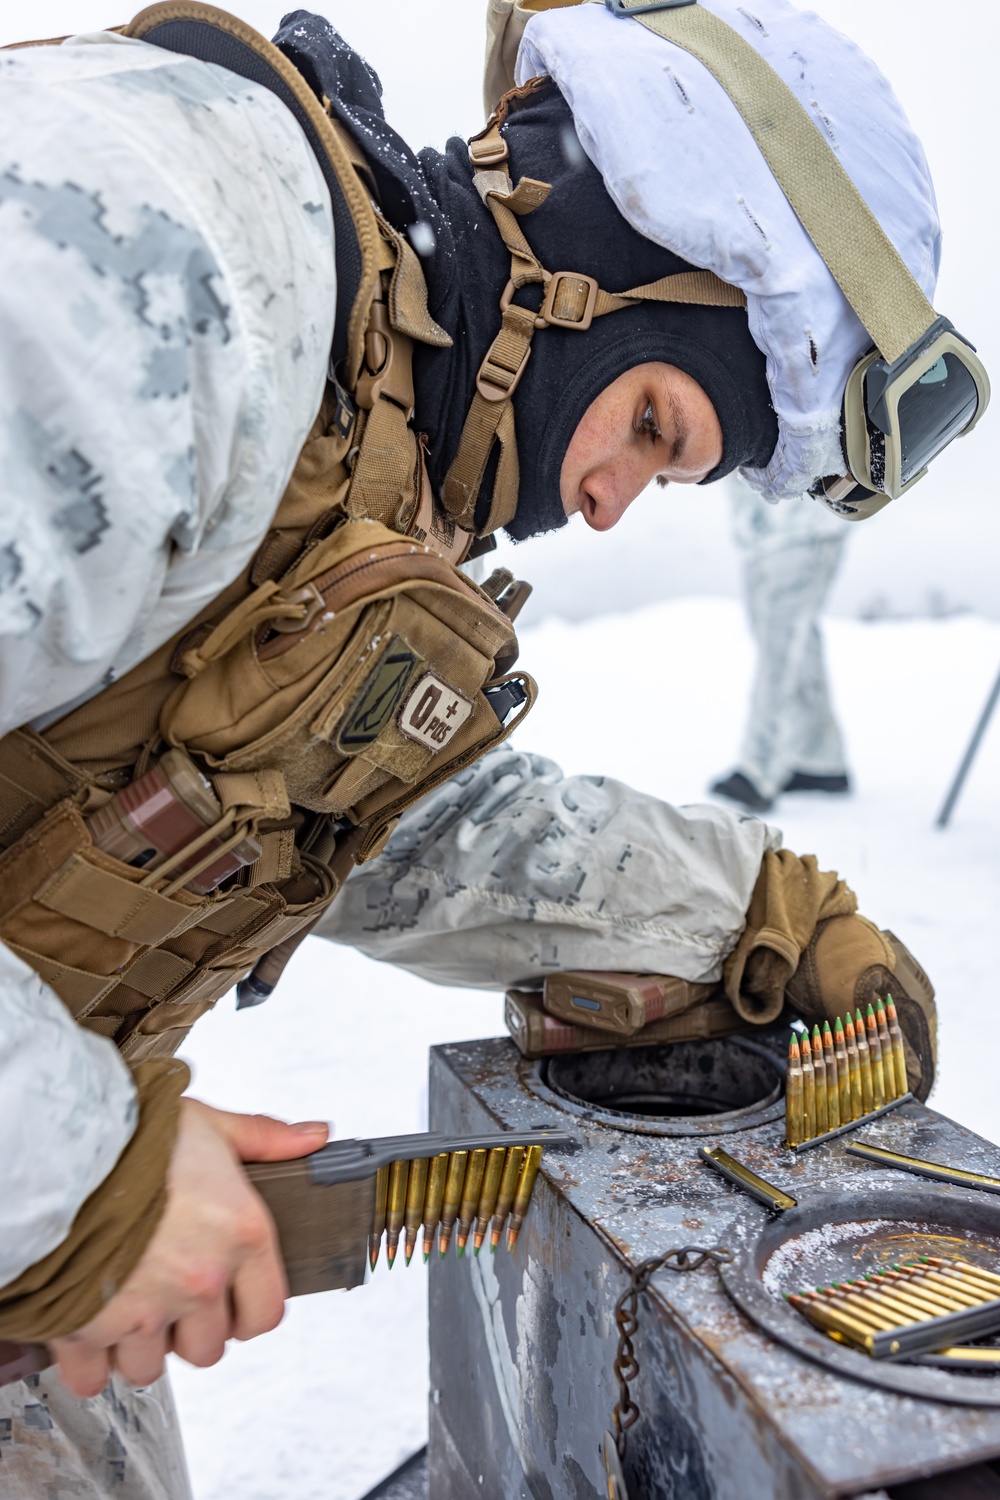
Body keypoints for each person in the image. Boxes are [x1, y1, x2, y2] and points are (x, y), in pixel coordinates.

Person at [0, 0, 968, 1492]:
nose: (602, 507)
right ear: (601, 235)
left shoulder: (347, 404)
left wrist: (741, 919)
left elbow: (339, 807)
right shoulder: (139, 240)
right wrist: (68, 1179)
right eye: (652, 422)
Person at [710, 478, 852, 814]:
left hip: (802, 526)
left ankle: (758, 769)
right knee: (793, 642)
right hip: (767, 530)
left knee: (780, 647)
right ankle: (820, 759)